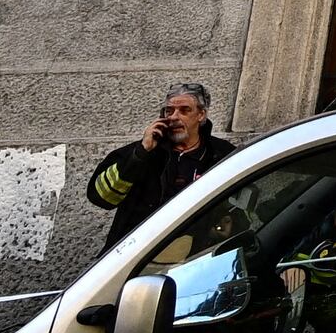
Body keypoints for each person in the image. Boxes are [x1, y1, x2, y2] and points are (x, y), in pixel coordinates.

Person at [87, 84, 236, 253]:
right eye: (169, 111)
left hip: (196, 258)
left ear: (201, 115)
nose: (174, 117)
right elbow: (101, 198)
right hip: (136, 256)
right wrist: (140, 155)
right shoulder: (140, 152)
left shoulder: (222, 154)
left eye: (184, 110)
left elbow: (243, 200)